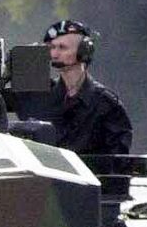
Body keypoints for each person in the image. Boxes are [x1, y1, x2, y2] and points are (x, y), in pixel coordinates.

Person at [16, 20, 133, 156]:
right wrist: (23, 64)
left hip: (89, 175)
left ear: (84, 51)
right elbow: (0, 104)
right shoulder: (41, 96)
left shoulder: (105, 103)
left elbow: (118, 158)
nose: (54, 54)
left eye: (62, 47)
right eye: (52, 47)